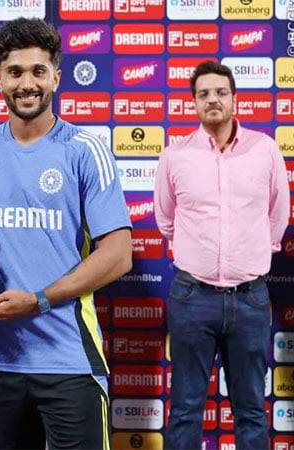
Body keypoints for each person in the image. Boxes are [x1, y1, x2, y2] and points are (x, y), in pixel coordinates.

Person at [0, 18, 132, 450]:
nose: (27, 83)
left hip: (69, 361)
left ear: (56, 77)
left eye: (38, 71)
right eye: (15, 71)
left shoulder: (84, 150)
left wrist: (38, 300)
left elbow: (118, 254)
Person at [154, 61, 290, 450]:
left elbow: (278, 214)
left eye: (220, 92)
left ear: (234, 99)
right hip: (192, 297)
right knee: (185, 408)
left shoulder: (264, 150)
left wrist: (251, 256)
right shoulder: (175, 156)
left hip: (250, 298)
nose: (212, 99)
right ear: (194, 103)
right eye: (203, 94)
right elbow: (166, 219)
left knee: (250, 410)